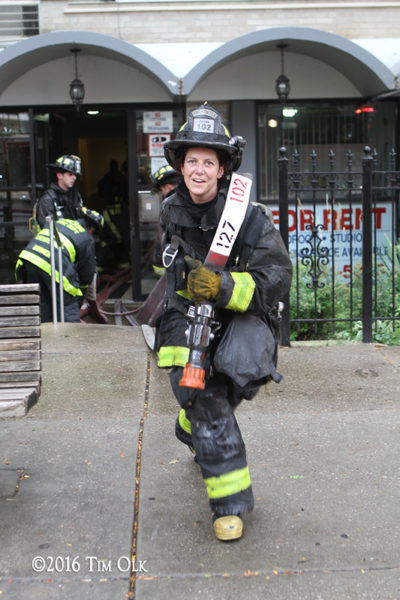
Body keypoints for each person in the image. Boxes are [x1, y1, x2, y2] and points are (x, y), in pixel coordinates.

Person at [155, 103, 293, 541]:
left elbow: (277, 279)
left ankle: (190, 424)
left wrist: (223, 287)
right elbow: (172, 271)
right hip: (183, 318)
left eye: (207, 162)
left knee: (232, 383)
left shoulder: (248, 217)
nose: (198, 170)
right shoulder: (171, 209)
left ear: (221, 169)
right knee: (205, 398)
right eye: (191, 160)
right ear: (181, 165)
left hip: (239, 317)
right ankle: (229, 504)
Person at [34, 154, 107, 323]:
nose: (74, 178)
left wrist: (90, 218)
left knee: (90, 276)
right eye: (70, 174)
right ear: (59, 175)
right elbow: (48, 231)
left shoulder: (75, 197)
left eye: (75, 175)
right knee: (62, 292)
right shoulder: (48, 199)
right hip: (54, 255)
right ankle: (64, 321)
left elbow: (85, 217)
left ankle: (78, 313)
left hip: (75, 253)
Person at [15, 216, 99, 323]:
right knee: (67, 305)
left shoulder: (61, 222)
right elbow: (87, 274)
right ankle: (70, 338)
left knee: (43, 305)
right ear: (91, 229)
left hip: (28, 260)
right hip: (53, 263)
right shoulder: (86, 237)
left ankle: (46, 337)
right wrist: (80, 292)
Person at [151, 164, 182, 276]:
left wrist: (159, 263)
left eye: (161, 190)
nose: (162, 194)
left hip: (174, 265)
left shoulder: (169, 206)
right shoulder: (192, 200)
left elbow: (162, 238)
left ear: (168, 187)